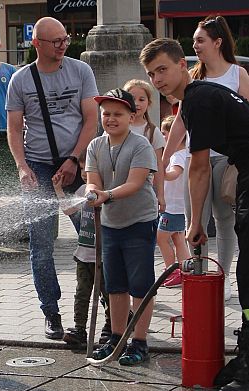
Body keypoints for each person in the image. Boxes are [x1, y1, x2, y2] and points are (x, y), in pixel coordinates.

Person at [141, 37, 249, 391]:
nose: (158, 79)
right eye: (151, 74)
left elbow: (198, 167)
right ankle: (247, 360)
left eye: (163, 69)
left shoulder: (199, 99)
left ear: (183, 65)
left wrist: (195, 224)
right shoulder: (198, 98)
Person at [6, 17, 98, 340]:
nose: (62, 45)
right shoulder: (20, 80)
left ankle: (107, 303)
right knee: (41, 245)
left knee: (93, 238)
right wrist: (21, 166)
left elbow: (92, 120)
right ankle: (51, 311)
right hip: (39, 167)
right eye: (55, 41)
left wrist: (75, 158)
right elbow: (14, 130)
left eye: (65, 39)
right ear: (37, 44)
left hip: (78, 164)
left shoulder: (81, 71)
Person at [163, 15, 249, 302]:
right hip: (197, 159)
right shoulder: (194, 76)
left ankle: (224, 276)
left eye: (200, 40)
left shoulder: (237, 74)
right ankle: (198, 274)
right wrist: (166, 156)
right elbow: (181, 117)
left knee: (224, 220)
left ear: (218, 42)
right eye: (193, 40)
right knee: (195, 220)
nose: (194, 45)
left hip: (227, 161)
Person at [86, 88, 158, 366]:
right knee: (115, 286)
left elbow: (136, 182)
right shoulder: (95, 146)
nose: (111, 119)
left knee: (140, 285)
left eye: (118, 114)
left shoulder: (140, 145)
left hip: (139, 222)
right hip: (110, 224)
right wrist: (93, 192)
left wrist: (107, 195)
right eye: (106, 114)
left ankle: (140, 342)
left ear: (132, 115)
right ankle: (116, 338)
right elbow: (93, 178)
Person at [52, 151, 111, 348]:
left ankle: (110, 327)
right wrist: (59, 191)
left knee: (109, 293)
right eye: (84, 168)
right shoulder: (82, 191)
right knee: (82, 293)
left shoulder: (108, 192)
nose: (86, 173)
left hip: (103, 257)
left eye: (90, 167)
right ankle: (79, 329)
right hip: (84, 255)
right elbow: (69, 210)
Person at [123, 79, 166, 212]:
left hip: (145, 188)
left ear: (149, 103)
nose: (137, 103)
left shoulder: (152, 132)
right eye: (132, 98)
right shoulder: (117, 127)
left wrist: (161, 194)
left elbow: (159, 164)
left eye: (142, 99)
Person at [157, 115, 189, 287]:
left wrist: (161, 173)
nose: (162, 137)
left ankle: (172, 270)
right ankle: (184, 269)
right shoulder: (184, 154)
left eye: (164, 133)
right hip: (177, 206)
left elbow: (174, 174)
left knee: (161, 238)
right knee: (178, 238)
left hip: (174, 207)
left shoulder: (177, 156)